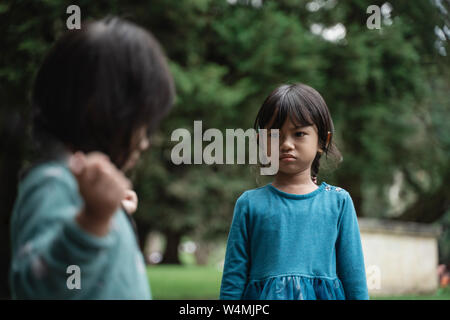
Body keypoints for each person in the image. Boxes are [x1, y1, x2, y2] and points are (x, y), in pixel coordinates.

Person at [9, 16, 175, 299]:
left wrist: (107, 214)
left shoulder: (76, 190)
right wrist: (93, 219)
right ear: (108, 115)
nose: (145, 142)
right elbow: (37, 287)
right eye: (141, 124)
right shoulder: (53, 183)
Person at [220, 83, 369, 300]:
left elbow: (354, 278)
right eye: (275, 135)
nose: (286, 144)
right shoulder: (249, 204)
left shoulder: (338, 202)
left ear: (322, 141)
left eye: (299, 134)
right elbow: (233, 281)